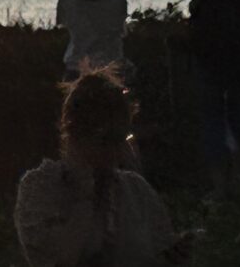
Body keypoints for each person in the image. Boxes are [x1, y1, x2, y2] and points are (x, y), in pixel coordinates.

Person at [15, 67, 190, 266]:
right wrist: (84, 193)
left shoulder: (136, 191)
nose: (120, 152)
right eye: (107, 140)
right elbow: (60, 259)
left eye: (124, 138)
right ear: (75, 137)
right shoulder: (40, 189)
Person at [189, 0, 240, 199]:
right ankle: (237, 179)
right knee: (239, 118)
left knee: (212, 122)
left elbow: (195, 16)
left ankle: (219, 186)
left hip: (209, 60)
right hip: (239, 60)